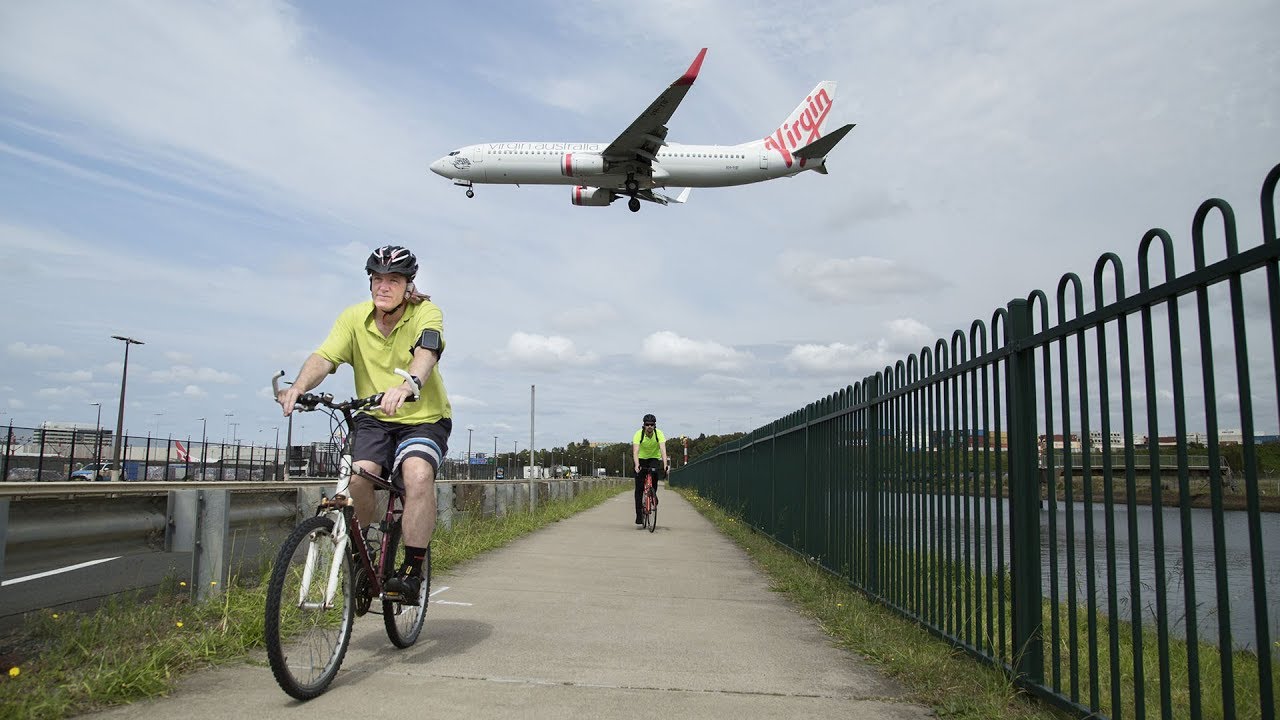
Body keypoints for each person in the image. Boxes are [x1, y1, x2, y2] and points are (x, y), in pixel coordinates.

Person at [277, 245, 451, 603]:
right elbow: (325, 356)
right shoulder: (354, 318)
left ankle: (411, 571)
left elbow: (427, 351)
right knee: (357, 476)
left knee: (418, 475)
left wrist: (409, 384)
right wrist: (298, 386)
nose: (383, 286)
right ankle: (362, 553)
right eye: (377, 279)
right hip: (373, 418)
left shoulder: (425, 313)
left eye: (393, 280)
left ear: (408, 286)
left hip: (423, 418)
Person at [631, 413, 669, 525]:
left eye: (651, 425)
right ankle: (639, 515)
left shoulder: (659, 434)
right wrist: (636, 464)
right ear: (644, 425)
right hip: (641, 459)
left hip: (654, 458)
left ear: (654, 426)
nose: (649, 427)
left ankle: (653, 494)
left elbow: (663, 450)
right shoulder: (638, 434)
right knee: (639, 489)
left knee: (655, 475)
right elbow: (635, 451)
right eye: (647, 424)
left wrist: (665, 465)